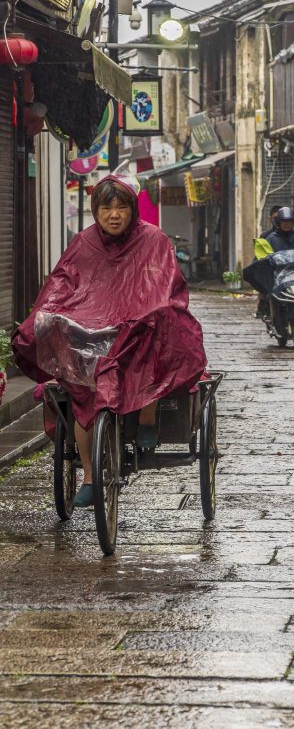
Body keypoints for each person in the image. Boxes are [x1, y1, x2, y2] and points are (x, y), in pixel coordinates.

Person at [11, 163, 206, 508]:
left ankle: (147, 415)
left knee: (158, 328)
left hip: (138, 332)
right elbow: (60, 286)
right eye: (106, 208)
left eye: (122, 208)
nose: (114, 215)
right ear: (96, 211)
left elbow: (166, 287)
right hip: (94, 337)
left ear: (132, 208)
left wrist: (149, 311)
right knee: (82, 396)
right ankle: (89, 476)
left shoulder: (154, 240)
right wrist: (43, 318)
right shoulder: (83, 243)